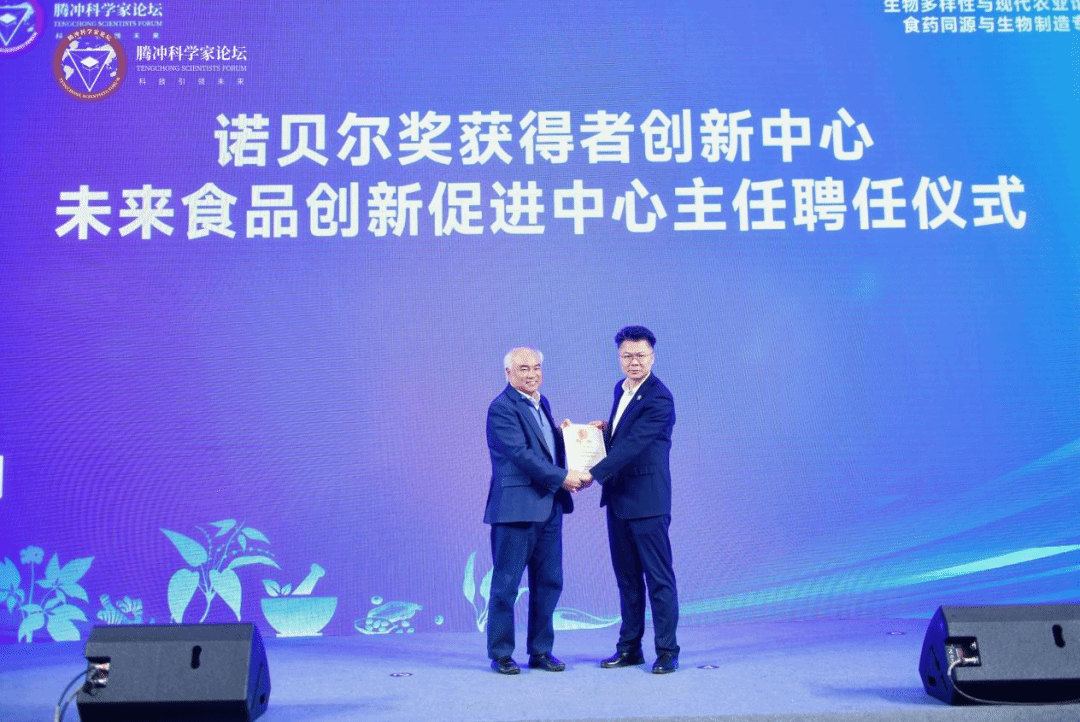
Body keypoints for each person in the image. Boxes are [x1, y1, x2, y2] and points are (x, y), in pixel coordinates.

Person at [483, 347, 591, 675]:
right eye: (523, 368)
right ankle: (501, 653)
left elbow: (543, 448)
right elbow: (520, 454)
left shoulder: (542, 403)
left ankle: (541, 651)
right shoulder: (502, 408)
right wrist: (563, 477)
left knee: (549, 582)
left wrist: (570, 436)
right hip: (516, 511)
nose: (532, 374)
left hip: (549, 507)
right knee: (506, 585)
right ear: (508, 373)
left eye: (536, 367)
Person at [586, 326, 680, 674]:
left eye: (640, 355)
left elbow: (634, 445)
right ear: (619, 357)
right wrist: (601, 432)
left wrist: (591, 473)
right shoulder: (621, 389)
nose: (634, 362)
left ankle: (667, 651)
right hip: (619, 500)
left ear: (652, 357)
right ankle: (629, 648)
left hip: (648, 502)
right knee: (626, 579)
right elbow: (622, 435)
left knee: (658, 579)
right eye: (627, 356)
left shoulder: (659, 398)